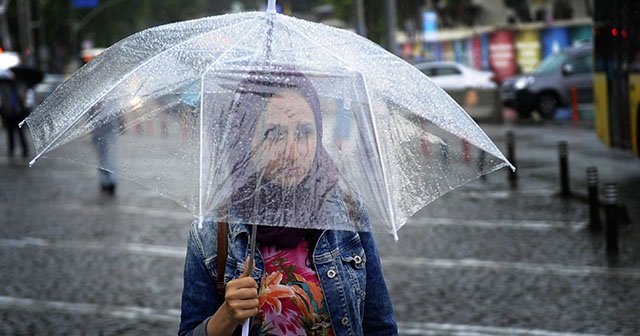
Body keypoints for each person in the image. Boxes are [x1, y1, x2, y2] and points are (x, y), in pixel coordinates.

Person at [178, 68, 398, 336]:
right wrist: (225, 317)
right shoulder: (213, 233)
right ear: (246, 138)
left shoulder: (347, 215)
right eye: (275, 134)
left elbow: (380, 326)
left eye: (305, 132)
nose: (293, 153)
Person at [0, 76, 29, 158]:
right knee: (10, 133)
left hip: (18, 112)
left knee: (21, 132)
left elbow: (24, 98)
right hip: (9, 113)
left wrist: (20, 95)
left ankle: (25, 150)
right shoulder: (4, 86)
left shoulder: (21, 85)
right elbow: (3, 98)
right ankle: (11, 149)